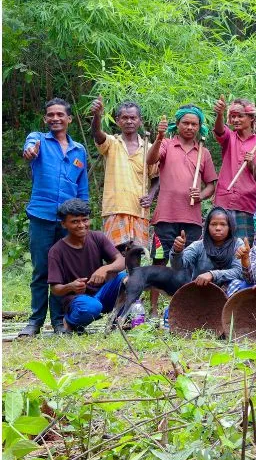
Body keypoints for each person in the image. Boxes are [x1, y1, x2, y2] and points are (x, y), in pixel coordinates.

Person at [21, 98, 90, 336]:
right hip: (41, 215)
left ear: (69, 119)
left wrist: (83, 217)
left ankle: (60, 322)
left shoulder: (79, 150)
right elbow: (29, 148)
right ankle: (35, 322)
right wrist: (29, 150)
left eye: (60, 114)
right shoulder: (38, 140)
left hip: (69, 222)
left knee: (65, 273)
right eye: (50, 115)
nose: (55, 119)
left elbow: (82, 187)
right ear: (45, 119)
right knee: (41, 270)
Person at [147, 105, 218, 298]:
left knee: (190, 263)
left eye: (194, 124)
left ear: (199, 127)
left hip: (192, 219)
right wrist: (159, 136)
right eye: (185, 123)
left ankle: (186, 304)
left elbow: (211, 185)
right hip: (165, 216)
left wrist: (201, 195)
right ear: (176, 124)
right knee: (159, 262)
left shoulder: (204, 152)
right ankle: (153, 311)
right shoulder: (167, 144)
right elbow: (150, 160)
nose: (189, 127)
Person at [46, 199, 126, 332]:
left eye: (85, 220)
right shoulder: (56, 251)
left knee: (127, 278)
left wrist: (105, 268)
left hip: (102, 294)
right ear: (64, 224)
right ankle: (69, 322)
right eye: (75, 222)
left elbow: (121, 261)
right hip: (78, 301)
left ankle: (118, 321)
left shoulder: (97, 237)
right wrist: (70, 286)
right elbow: (55, 289)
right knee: (92, 307)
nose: (82, 225)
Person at [90, 96, 157, 251]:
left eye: (133, 118)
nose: (129, 121)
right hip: (115, 208)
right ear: (118, 120)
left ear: (140, 121)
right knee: (115, 254)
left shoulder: (149, 148)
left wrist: (151, 195)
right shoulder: (112, 143)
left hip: (139, 209)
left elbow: (156, 177)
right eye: (124, 118)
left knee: (135, 255)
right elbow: (97, 133)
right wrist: (97, 115)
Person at [213, 96, 256, 242]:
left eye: (240, 116)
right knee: (219, 244)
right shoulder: (229, 137)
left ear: (251, 118)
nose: (235, 120)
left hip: (247, 203)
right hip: (224, 201)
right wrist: (220, 114)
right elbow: (219, 130)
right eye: (232, 116)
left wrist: (254, 162)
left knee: (244, 250)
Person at [169, 207, 245, 290]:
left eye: (223, 224)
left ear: (230, 227)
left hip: (229, 293)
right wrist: (177, 251)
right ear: (207, 227)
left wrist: (212, 275)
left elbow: (239, 272)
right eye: (213, 224)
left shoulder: (237, 244)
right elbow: (178, 267)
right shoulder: (198, 246)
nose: (218, 228)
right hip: (201, 292)